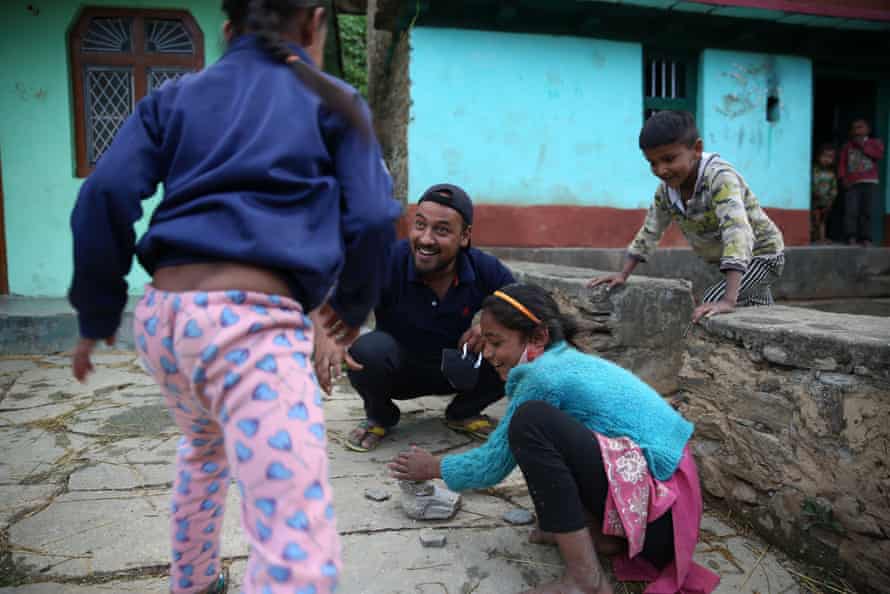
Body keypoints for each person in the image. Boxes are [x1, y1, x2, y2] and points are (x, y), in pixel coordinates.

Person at [67, 1, 401, 593]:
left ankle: (192, 581)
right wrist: (348, 310)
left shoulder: (173, 97)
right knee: (297, 547)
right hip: (250, 333)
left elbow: (104, 195)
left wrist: (96, 313)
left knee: (203, 448)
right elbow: (375, 215)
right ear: (314, 24)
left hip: (165, 324)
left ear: (227, 31)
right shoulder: (333, 100)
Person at [390, 283, 719, 594]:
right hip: (667, 510)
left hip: (663, 518)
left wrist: (433, 467)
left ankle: (585, 580)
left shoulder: (544, 377)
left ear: (539, 337)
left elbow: (492, 464)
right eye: (484, 342)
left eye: (496, 341)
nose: (488, 353)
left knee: (530, 423)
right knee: (543, 430)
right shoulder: (564, 360)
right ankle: (600, 536)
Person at [313, 184, 515, 452]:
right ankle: (380, 417)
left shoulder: (483, 267)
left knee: (516, 342)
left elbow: (526, 303)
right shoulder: (387, 261)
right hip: (399, 372)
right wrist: (326, 336)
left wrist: (492, 324)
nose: (426, 239)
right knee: (367, 351)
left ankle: (463, 412)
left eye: (441, 230)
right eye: (420, 225)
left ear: (464, 236)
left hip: (459, 370)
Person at [589, 110, 785, 323]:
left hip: (763, 255)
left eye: (669, 159)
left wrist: (728, 300)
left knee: (711, 302)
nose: (661, 170)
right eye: (652, 163)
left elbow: (737, 231)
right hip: (728, 263)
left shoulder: (720, 179)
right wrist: (622, 275)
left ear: (697, 150)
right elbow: (650, 230)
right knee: (755, 308)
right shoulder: (666, 191)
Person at [839, 118, 884, 246]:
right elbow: (842, 164)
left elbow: (878, 155)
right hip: (852, 183)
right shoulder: (847, 146)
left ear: (867, 130)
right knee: (851, 210)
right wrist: (843, 178)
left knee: (867, 211)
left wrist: (863, 145)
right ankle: (851, 236)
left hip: (869, 182)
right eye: (854, 128)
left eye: (860, 127)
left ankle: (866, 238)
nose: (857, 130)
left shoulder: (875, 142)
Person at [811, 144, 838, 244]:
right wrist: (814, 192)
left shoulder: (832, 174)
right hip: (815, 201)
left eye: (830, 157)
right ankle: (816, 237)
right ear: (819, 156)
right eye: (824, 156)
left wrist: (831, 200)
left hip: (826, 202)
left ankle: (821, 238)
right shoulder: (813, 170)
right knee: (815, 219)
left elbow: (834, 189)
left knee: (823, 221)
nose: (827, 159)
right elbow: (810, 184)